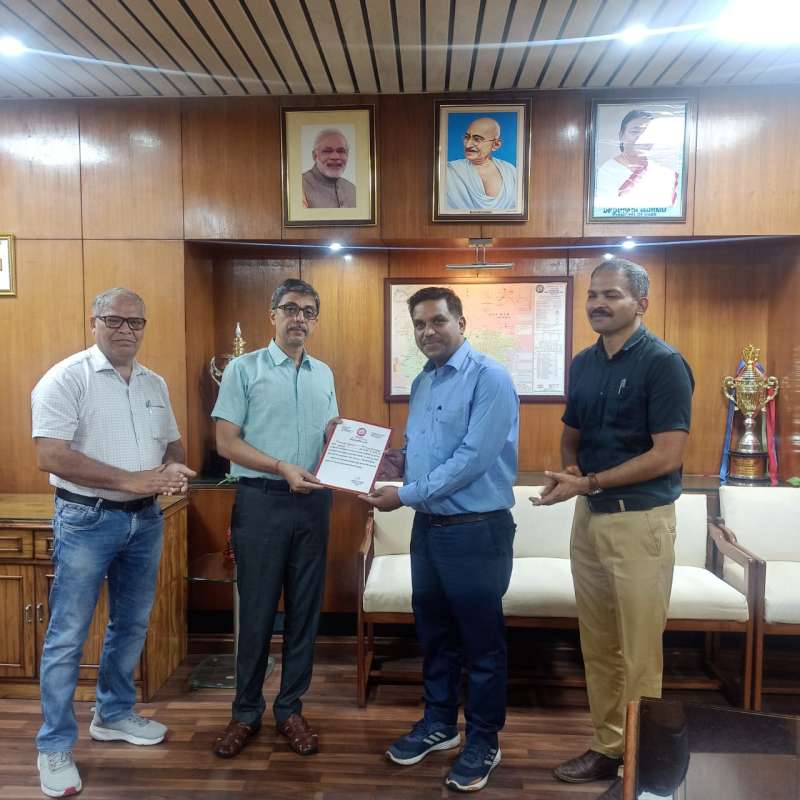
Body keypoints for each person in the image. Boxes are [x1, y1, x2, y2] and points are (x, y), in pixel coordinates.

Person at [532, 259, 694, 800]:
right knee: (598, 646)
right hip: (590, 519)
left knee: (640, 653)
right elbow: (572, 430)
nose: (598, 303)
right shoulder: (584, 362)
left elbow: (667, 455)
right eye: (593, 295)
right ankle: (608, 746)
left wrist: (590, 481)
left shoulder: (664, 363)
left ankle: (642, 767)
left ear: (641, 303)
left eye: (612, 295)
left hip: (640, 523)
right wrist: (572, 471)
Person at [31, 287, 195, 798]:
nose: (126, 330)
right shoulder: (66, 378)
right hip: (86, 519)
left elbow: (172, 445)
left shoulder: (153, 382)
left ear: (144, 327)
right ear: (94, 322)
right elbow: (51, 455)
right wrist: (133, 479)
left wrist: (174, 471)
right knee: (67, 634)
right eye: (114, 320)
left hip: (144, 521)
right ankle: (54, 745)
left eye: (135, 322)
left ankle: (114, 713)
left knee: (131, 623)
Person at [361, 286, 519, 793]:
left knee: (481, 645)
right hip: (428, 530)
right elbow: (423, 452)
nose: (428, 331)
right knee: (434, 636)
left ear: (461, 323)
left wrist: (403, 494)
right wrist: (383, 462)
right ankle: (439, 724)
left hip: (477, 531)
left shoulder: (490, 378)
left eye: (438, 321)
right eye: (419, 324)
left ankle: (484, 740)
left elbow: (472, 459)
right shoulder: (423, 381)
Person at [211, 278, 338, 761]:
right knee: (258, 613)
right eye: (290, 308)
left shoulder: (324, 374)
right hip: (261, 502)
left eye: (308, 311)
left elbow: (331, 435)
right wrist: (281, 466)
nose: (299, 318)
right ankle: (245, 712)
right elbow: (226, 443)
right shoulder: (243, 369)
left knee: (305, 612)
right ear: (273, 315)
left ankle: (290, 710)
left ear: (315, 320)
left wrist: (348, 443)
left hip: (314, 504)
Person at [594, 110, 681, 213]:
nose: (641, 138)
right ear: (621, 135)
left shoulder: (665, 174)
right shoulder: (607, 171)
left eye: (648, 134)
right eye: (635, 132)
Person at [446, 117, 517, 211]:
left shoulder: (510, 171)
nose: (468, 145)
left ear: (496, 144)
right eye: (467, 137)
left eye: (477, 139)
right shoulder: (449, 171)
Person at [302, 128, 356, 208]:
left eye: (341, 151)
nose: (335, 157)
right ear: (314, 156)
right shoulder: (300, 186)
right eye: (327, 151)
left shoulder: (352, 189)